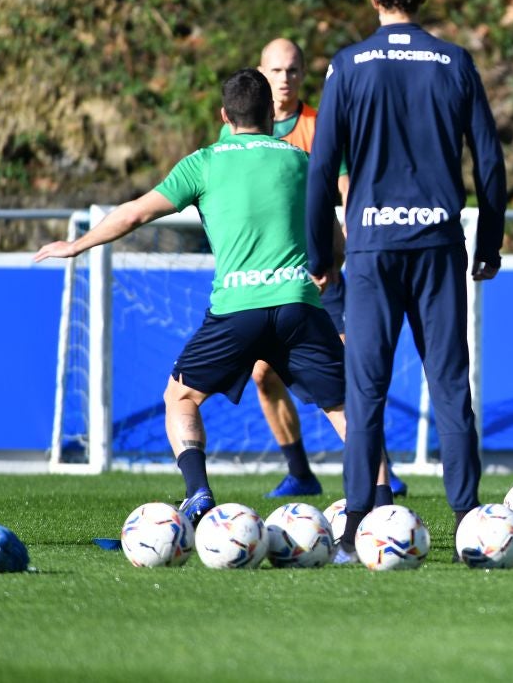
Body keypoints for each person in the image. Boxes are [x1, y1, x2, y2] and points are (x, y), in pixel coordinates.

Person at [34, 69, 353, 528]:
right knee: (345, 409)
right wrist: (329, 265)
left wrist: (77, 245)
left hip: (236, 311)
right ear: (271, 114)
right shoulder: (301, 160)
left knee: (180, 397)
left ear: (225, 116)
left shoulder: (202, 162)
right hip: (297, 303)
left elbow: (136, 213)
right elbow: (335, 238)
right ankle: (378, 506)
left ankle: (199, 493)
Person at [306, 0, 507, 562]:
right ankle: (469, 519)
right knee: (448, 383)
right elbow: (491, 163)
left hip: (371, 248)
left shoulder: (350, 64)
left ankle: (354, 525)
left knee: (365, 387)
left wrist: (322, 254)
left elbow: (321, 171)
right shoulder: (453, 62)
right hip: (438, 243)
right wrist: (490, 241)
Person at [240, 37, 405, 502]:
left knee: (353, 365)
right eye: (276, 71)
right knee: (261, 373)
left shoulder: (319, 124)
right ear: (261, 72)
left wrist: (356, 246)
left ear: (303, 74)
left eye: (292, 70)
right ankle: (299, 472)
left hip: (320, 273)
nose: (284, 79)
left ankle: (382, 472)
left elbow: (347, 189)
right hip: (268, 278)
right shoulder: (241, 131)